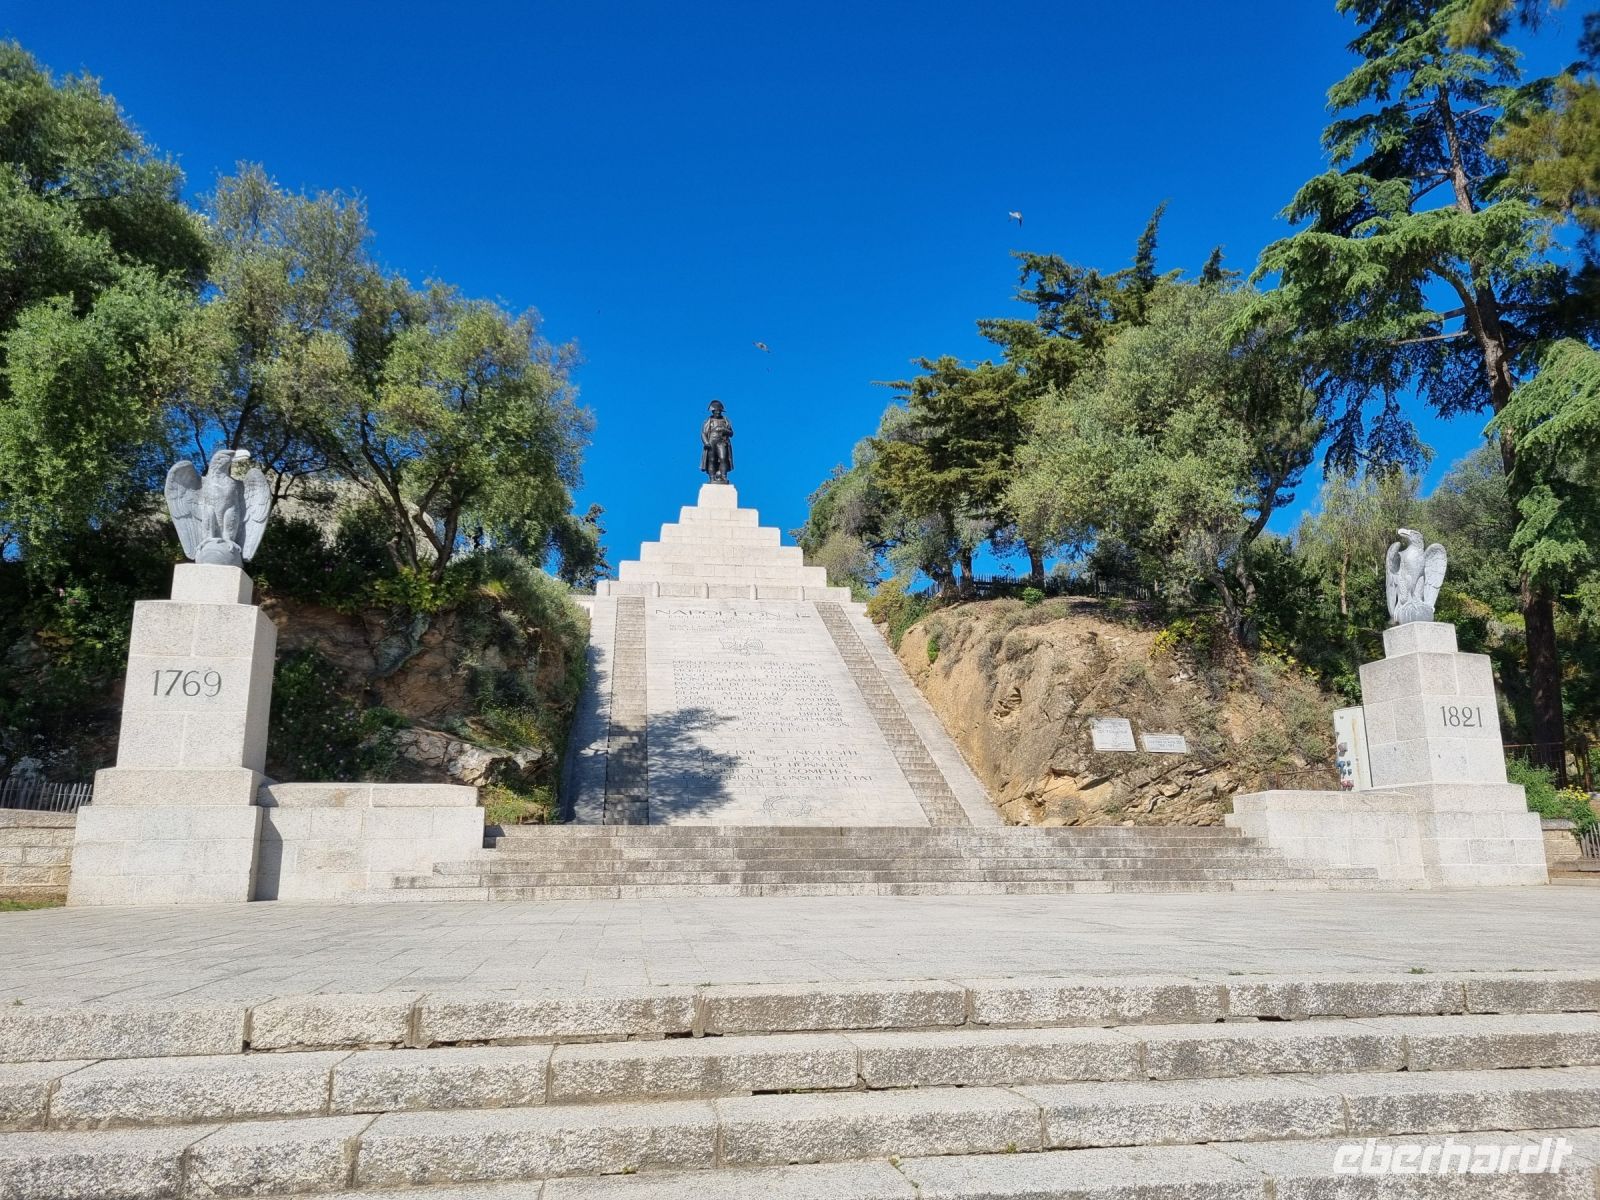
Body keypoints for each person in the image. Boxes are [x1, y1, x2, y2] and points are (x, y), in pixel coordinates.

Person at [700, 400, 734, 483]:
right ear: (713, 411)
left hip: (722, 441)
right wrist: (706, 443)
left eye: (719, 411)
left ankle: (724, 476)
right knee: (711, 460)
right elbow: (703, 433)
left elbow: (731, 433)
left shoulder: (725, 420)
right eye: (716, 411)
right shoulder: (709, 420)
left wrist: (723, 429)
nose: (718, 412)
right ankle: (712, 478)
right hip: (711, 441)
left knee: (723, 458)